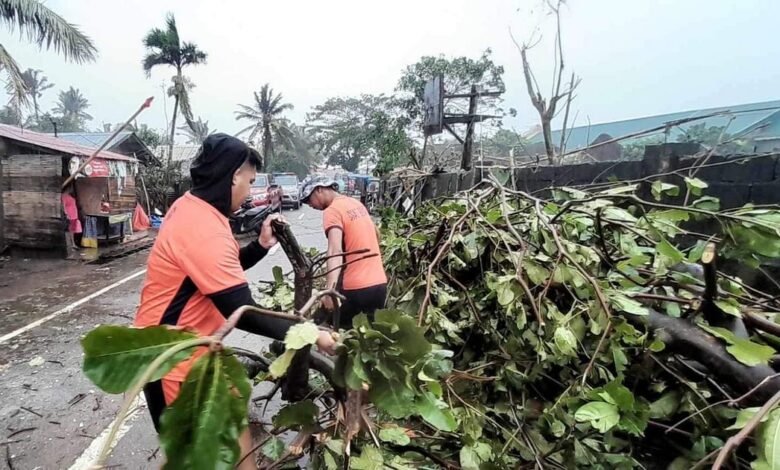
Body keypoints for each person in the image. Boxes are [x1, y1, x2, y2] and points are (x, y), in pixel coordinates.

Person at [133, 134, 335, 469]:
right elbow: (243, 312)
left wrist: (260, 245)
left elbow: (213, 278)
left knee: (235, 424)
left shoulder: (193, 207)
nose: (250, 190)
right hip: (170, 358)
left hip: (198, 350)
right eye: (251, 181)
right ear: (233, 175)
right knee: (187, 457)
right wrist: (310, 331)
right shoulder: (203, 228)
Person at [300, 177, 387, 328]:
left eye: (309, 200)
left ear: (319, 189)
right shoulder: (355, 203)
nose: (310, 205)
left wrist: (330, 291)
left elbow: (335, 251)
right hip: (379, 285)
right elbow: (376, 234)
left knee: (328, 331)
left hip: (355, 290)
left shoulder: (332, 210)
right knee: (368, 337)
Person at [61, 185, 82, 259]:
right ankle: (71, 244)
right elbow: (63, 206)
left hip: (74, 214)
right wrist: (66, 214)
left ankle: (73, 243)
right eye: (70, 188)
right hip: (70, 215)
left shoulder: (70, 195)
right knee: (70, 230)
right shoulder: (64, 196)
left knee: (73, 230)